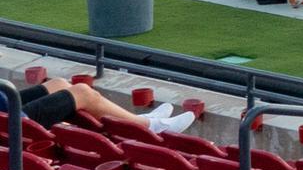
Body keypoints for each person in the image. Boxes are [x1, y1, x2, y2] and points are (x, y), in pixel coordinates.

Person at [3, 74, 199, 137]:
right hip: (13, 125)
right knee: (83, 92)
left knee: (59, 84)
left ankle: (144, 120)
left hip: (5, 110)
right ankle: (149, 126)